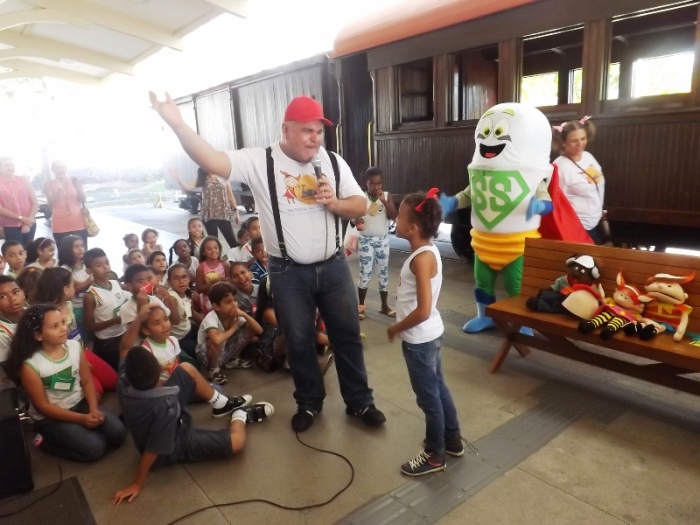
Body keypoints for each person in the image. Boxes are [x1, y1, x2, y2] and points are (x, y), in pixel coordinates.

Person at [150, 92, 386, 433]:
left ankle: (360, 401)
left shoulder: (333, 162)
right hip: (288, 271)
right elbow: (212, 159)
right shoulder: (261, 161)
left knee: (347, 335)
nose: (315, 138)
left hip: (334, 266)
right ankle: (309, 402)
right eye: (306, 130)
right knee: (298, 339)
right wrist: (177, 124)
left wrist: (334, 202)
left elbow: (360, 205)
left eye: (319, 131)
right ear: (285, 129)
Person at [111, 304, 273, 505]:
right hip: (172, 446)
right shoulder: (164, 406)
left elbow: (125, 348)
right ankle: (241, 415)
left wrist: (137, 319)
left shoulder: (124, 379)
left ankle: (222, 404)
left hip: (163, 415)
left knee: (185, 368)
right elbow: (153, 448)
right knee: (237, 442)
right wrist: (137, 482)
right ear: (159, 376)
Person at [387, 190, 463, 476]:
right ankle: (452, 440)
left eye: (399, 216)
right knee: (438, 388)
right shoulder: (428, 251)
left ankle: (434, 454)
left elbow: (423, 309)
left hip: (419, 340)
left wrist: (396, 327)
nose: (395, 219)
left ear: (413, 227)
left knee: (428, 397)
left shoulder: (421, 259)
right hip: (431, 335)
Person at [6, 304, 126, 462]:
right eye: (54, 326)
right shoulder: (30, 365)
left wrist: (93, 409)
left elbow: (87, 381)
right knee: (95, 448)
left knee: (118, 434)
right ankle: (45, 442)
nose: (64, 328)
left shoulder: (74, 347)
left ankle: (79, 432)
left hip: (79, 402)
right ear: (38, 335)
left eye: (63, 322)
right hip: (50, 417)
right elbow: (43, 407)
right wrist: (81, 419)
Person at [552, 117, 606, 244]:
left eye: (583, 138)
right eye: (574, 141)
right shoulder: (559, 167)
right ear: (563, 142)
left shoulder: (588, 156)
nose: (580, 144)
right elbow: (557, 202)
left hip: (596, 222)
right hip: (578, 227)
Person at [196, 282, 261, 384]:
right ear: (216, 306)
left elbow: (259, 331)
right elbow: (216, 340)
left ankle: (232, 360)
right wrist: (233, 328)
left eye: (235, 300)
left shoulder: (234, 314)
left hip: (224, 351)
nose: (234, 304)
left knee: (250, 328)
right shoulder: (211, 318)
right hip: (206, 357)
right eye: (228, 302)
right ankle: (213, 370)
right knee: (214, 341)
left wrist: (244, 315)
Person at [357, 166, 398, 320]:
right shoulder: (361, 197)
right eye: (372, 184)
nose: (376, 187)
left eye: (379, 183)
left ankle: (384, 306)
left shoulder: (386, 196)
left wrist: (384, 201)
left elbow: (394, 215)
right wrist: (356, 221)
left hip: (382, 241)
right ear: (365, 183)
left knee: (383, 273)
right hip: (366, 240)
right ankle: (361, 306)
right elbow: (354, 218)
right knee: (365, 273)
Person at [83, 248, 130, 371]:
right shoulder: (90, 295)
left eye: (107, 263)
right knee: (114, 371)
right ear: (89, 270)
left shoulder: (115, 283)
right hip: (106, 342)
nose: (106, 267)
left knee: (126, 367)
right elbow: (89, 327)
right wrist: (115, 320)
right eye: (99, 265)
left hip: (123, 333)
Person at [171, 167, 240, 249]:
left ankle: (238, 257)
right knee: (213, 244)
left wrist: (236, 211)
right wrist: (178, 176)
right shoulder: (202, 178)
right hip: (209, 216)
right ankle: (217, 257)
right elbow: (187, 187)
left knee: (233, 243)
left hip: (223, 214)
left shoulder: (223, 177)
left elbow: (230, 196)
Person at [43, 161, 88, 248]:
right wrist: (58, 192)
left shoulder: (74, 181)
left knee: (82, 250)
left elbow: (82, 199)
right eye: (57, 168)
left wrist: (79, 188)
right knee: (63, 250)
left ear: (65, 169)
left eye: (62, 167)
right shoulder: (48, 184)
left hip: (78, 221)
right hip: (59, 222)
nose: (60, 170)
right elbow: (51, 203)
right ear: (53, 170)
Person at [0, 156, 39, 247]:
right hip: (10, 226)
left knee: (30, 251)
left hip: (30, 223)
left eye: (12, 165)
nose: (10, 168)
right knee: (16, 252)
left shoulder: (23, 180)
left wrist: (28, 222)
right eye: (6, 165)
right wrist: (22, 218)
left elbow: (35, 203)